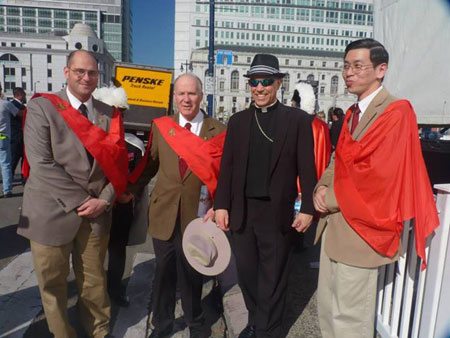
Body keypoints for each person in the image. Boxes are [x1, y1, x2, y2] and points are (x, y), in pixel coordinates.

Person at [313, 38, 439, 338]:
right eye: (346, 66)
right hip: (336, 226)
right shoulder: (352, 113)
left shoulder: (397, 111)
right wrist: (321, 187)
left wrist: (328, 197)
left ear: (381, 69)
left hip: (362, 231)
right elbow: (337, 159)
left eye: (358, 66)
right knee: (328, 310)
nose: (349, 73)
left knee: (350, 320)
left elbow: (379, 174)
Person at [17, 50, 128, 338]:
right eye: (79, 71)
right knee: (52, 287)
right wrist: (85, 201)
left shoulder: (109, 113)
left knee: (94, 282)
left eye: (92, 72)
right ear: (66, 72)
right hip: (51, 211)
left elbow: (118, 166)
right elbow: (41, 163)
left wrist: (103, 200)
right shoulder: (43, 107)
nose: (86, 77)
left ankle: (98, 332)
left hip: (96, 214)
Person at [214, 54, 317, 338]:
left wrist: (307, 207)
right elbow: (228, 167)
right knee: (247, 273)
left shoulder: (296, 120)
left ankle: (268, 330)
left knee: (273, 276)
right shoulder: (237, 121)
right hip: (242, 211)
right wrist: (221, 204)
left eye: (266, 82)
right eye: (254, 82)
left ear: (278, 83)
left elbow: (307, 167)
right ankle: (258, 320)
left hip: (276, 211)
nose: (259, 88)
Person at [126, 73, 226, 338]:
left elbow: (224, 174)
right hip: (164, 213)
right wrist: (129, 190)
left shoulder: (218, 130)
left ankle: (196, 323)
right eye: (181, 93)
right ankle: (162, 324)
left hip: (199, 214)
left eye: (191, 93)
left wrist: (222, 205)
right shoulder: (161, 127)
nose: (186, 99)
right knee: (164, 273)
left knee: (193, 273)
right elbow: (149, 165)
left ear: (201, 95)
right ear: (174, 97)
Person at [0, 84, 19, 198]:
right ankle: (7, 190)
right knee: (5, 164)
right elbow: (18, 113)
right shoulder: (5, 104)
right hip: (3, 136)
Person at [10, 87, 26, 181]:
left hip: (22, 137)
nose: (24, 96)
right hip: (16, 137)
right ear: (19, 95)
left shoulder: (22, 106)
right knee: (13, 160)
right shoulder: (12, 105)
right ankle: (9, 179)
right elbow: (20, 116)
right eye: (23, 94)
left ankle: (24, 179)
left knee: (24, 160)